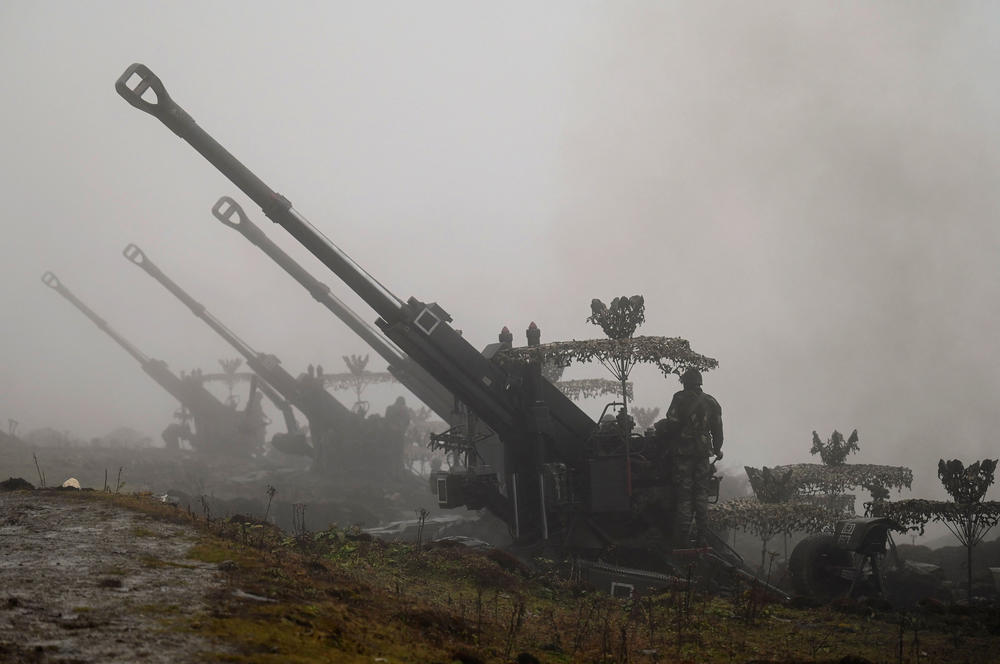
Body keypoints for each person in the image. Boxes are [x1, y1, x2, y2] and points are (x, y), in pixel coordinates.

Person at [656, 368, 723, 547]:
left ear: (685, 383)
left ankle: (683, 540)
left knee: (684, 495)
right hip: (702, 454)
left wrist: (661, 429)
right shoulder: (711, 401)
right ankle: (702, 537)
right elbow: (718, 431)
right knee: (701, 494)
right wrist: (717, 449)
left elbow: (671, 424)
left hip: (683, 454)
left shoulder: (679, 398)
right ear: (699, 382)